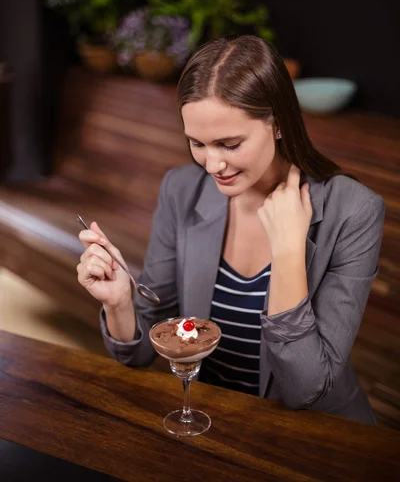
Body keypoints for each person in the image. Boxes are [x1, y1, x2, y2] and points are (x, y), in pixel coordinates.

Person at [77, 36, 385, 424]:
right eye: (197, 144)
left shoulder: (353, 211)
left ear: (277, 124)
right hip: (217, 421)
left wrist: (288, 252)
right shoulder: (182, 190)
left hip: (319, 435)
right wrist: (119, 302)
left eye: (230, 144)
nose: (212, 165)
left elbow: (306, 390)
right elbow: (140, 353)